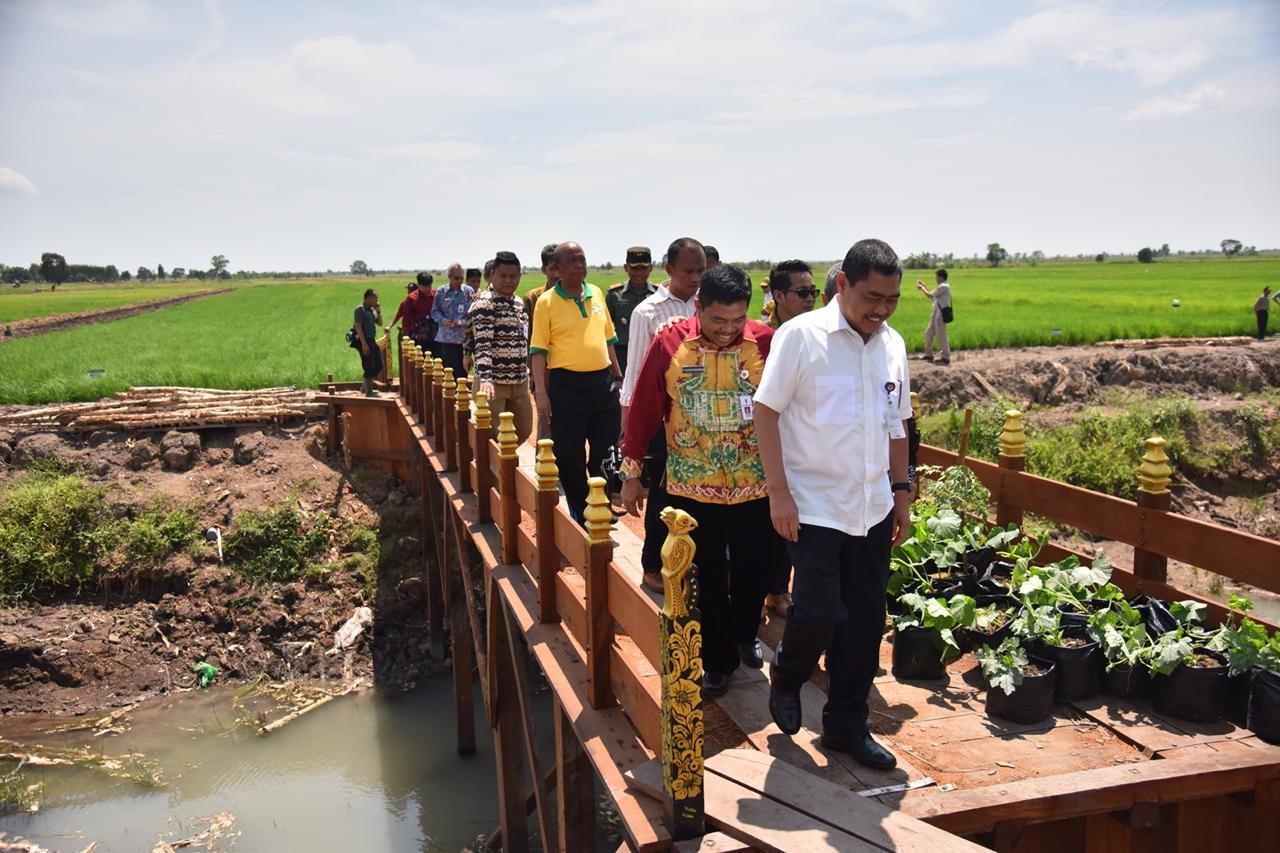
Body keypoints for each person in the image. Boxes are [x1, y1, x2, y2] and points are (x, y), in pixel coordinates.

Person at [755, 238, 913, 771]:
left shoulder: (892, 344)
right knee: (820, 610)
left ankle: (846, 727)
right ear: (842, 283)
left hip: (871, 504)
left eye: (891, 300)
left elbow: (896, 423)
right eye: (872, 296)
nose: (881, 309)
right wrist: (778, 491)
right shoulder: (801, 337)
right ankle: (790, 674)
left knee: (865, 623)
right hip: (814, 503)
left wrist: (901, 492)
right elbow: (766, 412)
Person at [619, 264, 774, 697]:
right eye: (717, 320)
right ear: (698, 307)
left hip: (755, 484)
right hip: (692, 484)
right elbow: (645, 411)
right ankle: (719, 660)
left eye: (737, 320)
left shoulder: (766, 342)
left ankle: (745, 635)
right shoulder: (669, 342)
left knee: (753, 569)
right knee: (705, 574)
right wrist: (631, 476)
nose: (727, 331)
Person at [619, 237, 706, 592]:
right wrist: (629, 443)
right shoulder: (649, 312)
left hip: (701, 420)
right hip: (662, 419)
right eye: (689, 271)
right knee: (663, 494)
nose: (696, 278)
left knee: (697, 494)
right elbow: (636, 378)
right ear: (669, 269)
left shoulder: (707, 306)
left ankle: (690, 560)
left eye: (701, 270)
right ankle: (653, 564)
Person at [530, 242, 624, 523]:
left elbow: (609, 340)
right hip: (566, 386)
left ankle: (600, 503)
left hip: (602, 383)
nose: (579, 265)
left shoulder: (595, 293)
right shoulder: (546, 302)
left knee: (606, 450)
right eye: (572, 261)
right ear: (556, 268)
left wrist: (618, 378)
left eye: (582, 259)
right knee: (568, 452)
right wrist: (541, 393)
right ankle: (580, 509)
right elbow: (538, 351)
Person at [760, 259, 818, 619]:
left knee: (794, 528)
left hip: (805, 447)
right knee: (765, 526)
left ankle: (780, 590)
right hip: (768, 445)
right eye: (802, 293)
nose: (809, 299)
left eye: (813, 292)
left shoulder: (820, 335)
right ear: (778, 296)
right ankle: (759, 590)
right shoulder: (761, 338)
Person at [465, 251, 534, 444]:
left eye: (513, 276)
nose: (508, 281)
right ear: (492, 275)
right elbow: (483, 345)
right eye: (502, 276)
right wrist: (486, 379)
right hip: (493, 384)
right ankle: (498, 472)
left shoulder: (519, 303)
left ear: (519, 277)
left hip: (519, 381)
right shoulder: (485, 303)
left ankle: (505, 468)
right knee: (493, 438)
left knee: (524, 429)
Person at [524, 243, 559, 440]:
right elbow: (530, 342)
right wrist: (538, 383)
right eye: (551, 269)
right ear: (543, 270)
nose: (556, 274)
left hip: (568, 371)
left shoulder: (576, 295)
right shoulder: (533, 299)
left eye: (559, 269)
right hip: (542, 370)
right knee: (546, 424)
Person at [606, 246, 658, 377]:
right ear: (626, 267)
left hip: (651, 354)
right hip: (622, 354)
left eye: (643, 268)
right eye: (634, 268)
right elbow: (604, 328)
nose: (639, 273)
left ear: (650, 268)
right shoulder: (614, 295)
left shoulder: (659, 294)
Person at [432, 263, 474, 377]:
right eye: (456, 278)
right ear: (449, 277)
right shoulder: (441, 292)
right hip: (446, 339)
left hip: (463, 340)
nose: (459, 280)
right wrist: (443, 320)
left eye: (462, 278)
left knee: (462, 373)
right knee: (449, 372)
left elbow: (473, 315)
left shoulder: (468, 292)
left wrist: (462, 322)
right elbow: (435, 312)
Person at [390, 273, 436, 354]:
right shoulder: (411, 298)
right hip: (419, 335)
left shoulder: (436, 295)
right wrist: (406, 337)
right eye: (424, 286)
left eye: (429, 286)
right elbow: (406, 320)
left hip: (435, 334)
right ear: (419, 285)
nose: (427, 288)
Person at [916, 268, 952, 365]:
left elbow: (929, 295)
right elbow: (932, 294)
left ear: (940, 277)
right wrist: (924, 286)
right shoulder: (941, 287)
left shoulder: (944, 286)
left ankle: (945, 357)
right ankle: (929, 354)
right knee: (928, 334)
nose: (935, 278)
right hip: (935, 315)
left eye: (936, 276)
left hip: (940, 316)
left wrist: (921, 288)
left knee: (941, 336)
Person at [353, 288, 383, 397]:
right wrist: (364, 344)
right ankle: (368, 391)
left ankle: (364, 387)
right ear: (369, 298)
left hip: (372, 339)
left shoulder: (370, 311)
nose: (377, 300)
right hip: (364, 340)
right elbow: (358, 327)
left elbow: (380, 323)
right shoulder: (360, 310)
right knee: (368, 365)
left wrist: (378, 311)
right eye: (376, 298)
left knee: (379, 365)